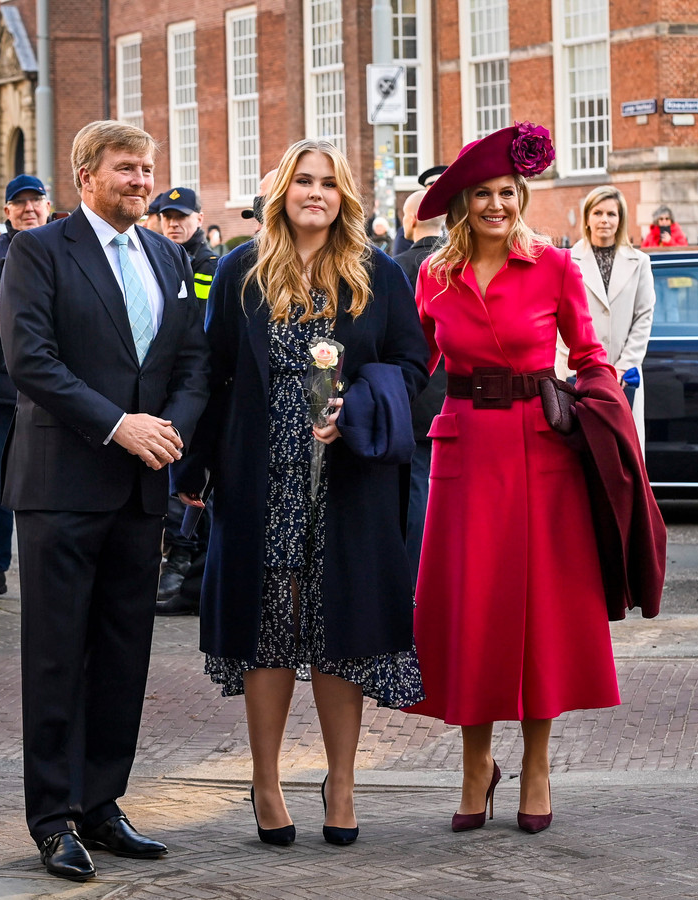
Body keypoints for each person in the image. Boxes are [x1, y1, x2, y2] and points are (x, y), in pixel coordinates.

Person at [173, 137, 427, 847]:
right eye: (302, 181)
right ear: (282, 191)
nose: (314, 193)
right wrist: (192, 472)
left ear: (344, 195)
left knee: (339, 627)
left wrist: (365, 407)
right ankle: (266, 779)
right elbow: (214, 372)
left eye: (328, 183)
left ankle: (341, 782)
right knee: (269, 625)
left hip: (349, 474)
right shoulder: (239, 272)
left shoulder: (378, 273)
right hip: (261, 466)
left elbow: (414, 362)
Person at [0, 120, 208, 880]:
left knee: (125, 654)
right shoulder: (39, 251)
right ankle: (53, 819)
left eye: (148, 168)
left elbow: (192, 361)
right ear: (86, 172)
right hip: (63, 484)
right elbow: (32, 361)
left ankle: (104, 802)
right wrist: (119, 426)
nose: (141, 181)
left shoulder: (168, 254)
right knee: (57, 656)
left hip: (140, 487)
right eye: (126, 168)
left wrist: (167, 435)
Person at [408, 122, 623, 835]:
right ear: (464, 202)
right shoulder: (433, 275)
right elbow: (417, 367)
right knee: (471, 612)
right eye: (484, 194)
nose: (497, 204)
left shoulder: (556, 267)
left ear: (521, 196)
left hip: (541, 456)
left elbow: (590, 353)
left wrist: (605, 413)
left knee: (539, 617)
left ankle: (536, 765)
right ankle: (475, 765)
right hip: (464, 454)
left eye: (508, 192)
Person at [0, 175, 48, 599]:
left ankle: (46, 570)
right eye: (19, 203)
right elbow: (1, 304)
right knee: (0, 482)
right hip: (5, 386)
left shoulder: (63, 241)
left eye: (35, 201)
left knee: (52, 482)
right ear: (7, 211)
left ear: (47, 204)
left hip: (57, 386)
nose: (28, 209)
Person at [155, 185, 218, 615]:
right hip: (172, 384)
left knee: (194, 483)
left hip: (203, 384)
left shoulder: (210, 265)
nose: (174, 223)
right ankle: (184, 570)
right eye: (166, 217)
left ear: (199, 218)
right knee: (177, 482)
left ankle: (187, 569)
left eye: (181, 216)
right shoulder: (159, 257)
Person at [569, 186, 656, 447]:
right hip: (580, 373)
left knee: (623, 453)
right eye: (597, 212)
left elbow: (644, 316)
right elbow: (560, 316)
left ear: (621, 220)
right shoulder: (568, 260)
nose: (604, 220)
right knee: (585, 453)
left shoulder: (639, 261)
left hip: (623, 372)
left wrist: (623, 365)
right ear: (587, 218)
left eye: (611, 214)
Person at [392, 187, 448, 582]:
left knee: (415, 492)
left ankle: (413, 577)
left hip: (410, 397)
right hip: (455, 395)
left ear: (409, 221)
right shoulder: (457, 265)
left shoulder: (394, 268)